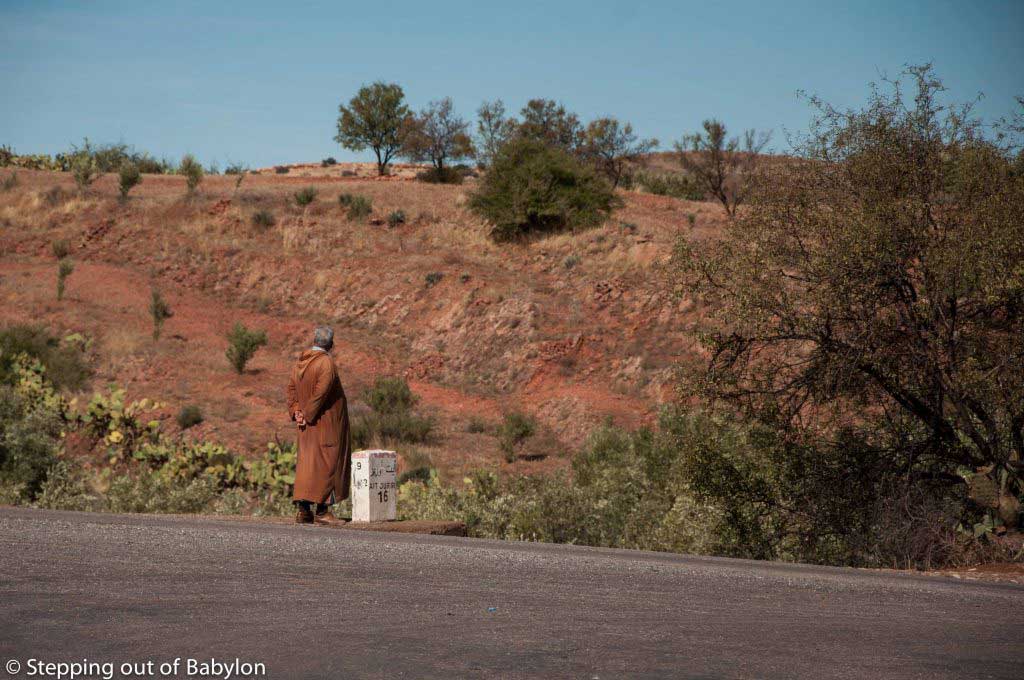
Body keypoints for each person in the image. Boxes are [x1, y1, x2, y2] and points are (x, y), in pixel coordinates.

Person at [286, 326, 352, 525]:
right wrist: (307, 413)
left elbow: (290, 389)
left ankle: (304, 511)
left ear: (314, 340)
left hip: (306, 425)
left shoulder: (300, 362)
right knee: (329, 464)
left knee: (307, 466)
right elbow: (321, 393)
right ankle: (323, 511)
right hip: (325, 424)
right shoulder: (326, 363)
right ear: (331, 344)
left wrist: (297, 411)